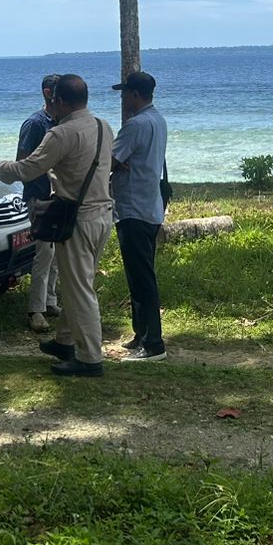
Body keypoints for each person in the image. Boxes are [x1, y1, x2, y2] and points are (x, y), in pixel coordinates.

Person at [0, 75, 113, 377]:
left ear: (59, 101)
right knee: (78, 282)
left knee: (79, 289)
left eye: (54, 102)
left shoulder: (61, 134)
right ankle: (65, 341)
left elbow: (27, 169)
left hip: (78, 220)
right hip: (103, 215)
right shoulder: (103, 126)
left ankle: (90, 358)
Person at [110, 71, 169, 361]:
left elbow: (109, 160)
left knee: (142, 279)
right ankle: (141, 333)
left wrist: (114, 163)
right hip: (150, 207)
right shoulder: (158, 120)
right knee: (139, 275)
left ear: (135, 94)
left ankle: (153, 344)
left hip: (133, 209)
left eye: (125, 93)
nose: (123, 98)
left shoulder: (134, 125)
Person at [19, 74, 63, 331]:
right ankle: (35, 310)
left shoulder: (61, 122)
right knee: (44, 254)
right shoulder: (35, 124)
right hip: (39, 196)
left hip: (59, 196)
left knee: (56, 254)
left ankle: (50, 300)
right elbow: (22, 162)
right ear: (48, 93)